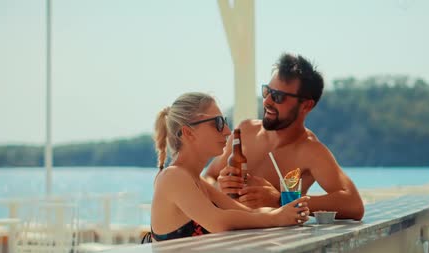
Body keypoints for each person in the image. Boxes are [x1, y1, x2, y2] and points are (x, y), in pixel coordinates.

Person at [205, 53, 364, 220]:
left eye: (278, 97)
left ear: (306, 105)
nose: (267, 101)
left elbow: (353, 205)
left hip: (271, 243)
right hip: (222, 235)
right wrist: (218, 187)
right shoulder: (245, 131)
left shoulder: (310, 150)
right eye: (267, 91)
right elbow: (208, 176)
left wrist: (281, 200)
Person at [145, 92, 310, 242]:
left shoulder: (197, 182)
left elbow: (249, 213)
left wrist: (287, 212)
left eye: (224, 121)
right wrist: (276, 218)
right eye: (217, 123)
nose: (227, 131)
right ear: (188, 133)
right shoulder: (173, 177)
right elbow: (218, 222)